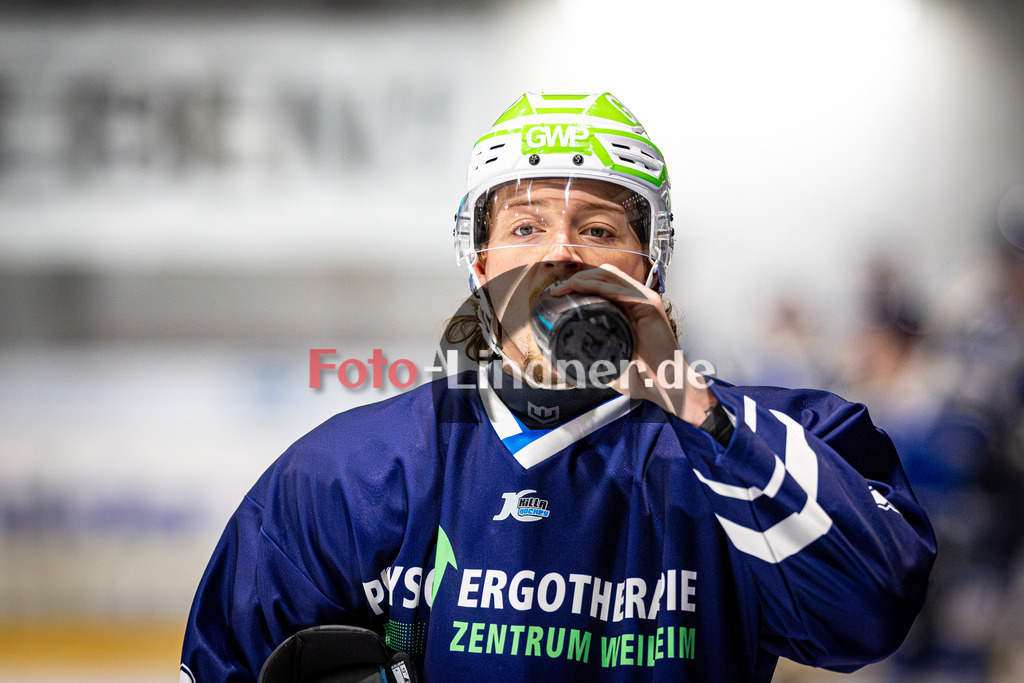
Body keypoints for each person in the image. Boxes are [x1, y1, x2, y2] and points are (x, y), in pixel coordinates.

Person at [179, 92, 936, 682]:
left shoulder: (776, 438)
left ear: (650, 266)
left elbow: (867, 612)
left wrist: (698, 408)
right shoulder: (348, 474)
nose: (563, 251)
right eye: (525, 227)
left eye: (600, 230)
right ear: (479, 265)